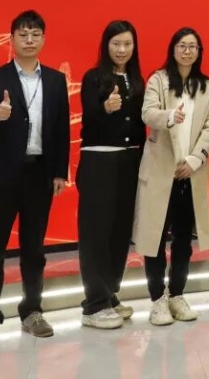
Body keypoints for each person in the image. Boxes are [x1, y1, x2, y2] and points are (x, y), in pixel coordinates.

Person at [132, 27, 209, 326]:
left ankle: (177, 295)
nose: (187, 51)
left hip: (189, 173)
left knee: (183, 240)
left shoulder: (205, 86)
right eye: (182, 45)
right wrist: (169, 117)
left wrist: (195, 159)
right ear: (173, 49)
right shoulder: (158, 80)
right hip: (160, 170)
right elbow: (147, 113)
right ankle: (157, 299)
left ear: (199, 52)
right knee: (154, 238)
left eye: (193, 46)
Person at [0, 10, 69, 337]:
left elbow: (61, 129)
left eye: (35, 34)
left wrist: (59, 172)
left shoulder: (55, 80)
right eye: (23, 34)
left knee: (34, 248)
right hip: (2, 174)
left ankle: (32, 310)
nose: (29, 40)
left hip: (40, 174)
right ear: (12, 39)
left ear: (43, 39)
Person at [77, 20, 146, 329]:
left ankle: (108, 293)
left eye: (127, 44)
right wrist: (105, 108)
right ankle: (93, 305)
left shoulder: (138, 80)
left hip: (130, 161)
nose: (121, 49)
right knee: (96, 232)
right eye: (116, 43)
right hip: (99, 160)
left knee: (119, 230)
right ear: (106, 45)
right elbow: (88, 119)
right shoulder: (93, 77)